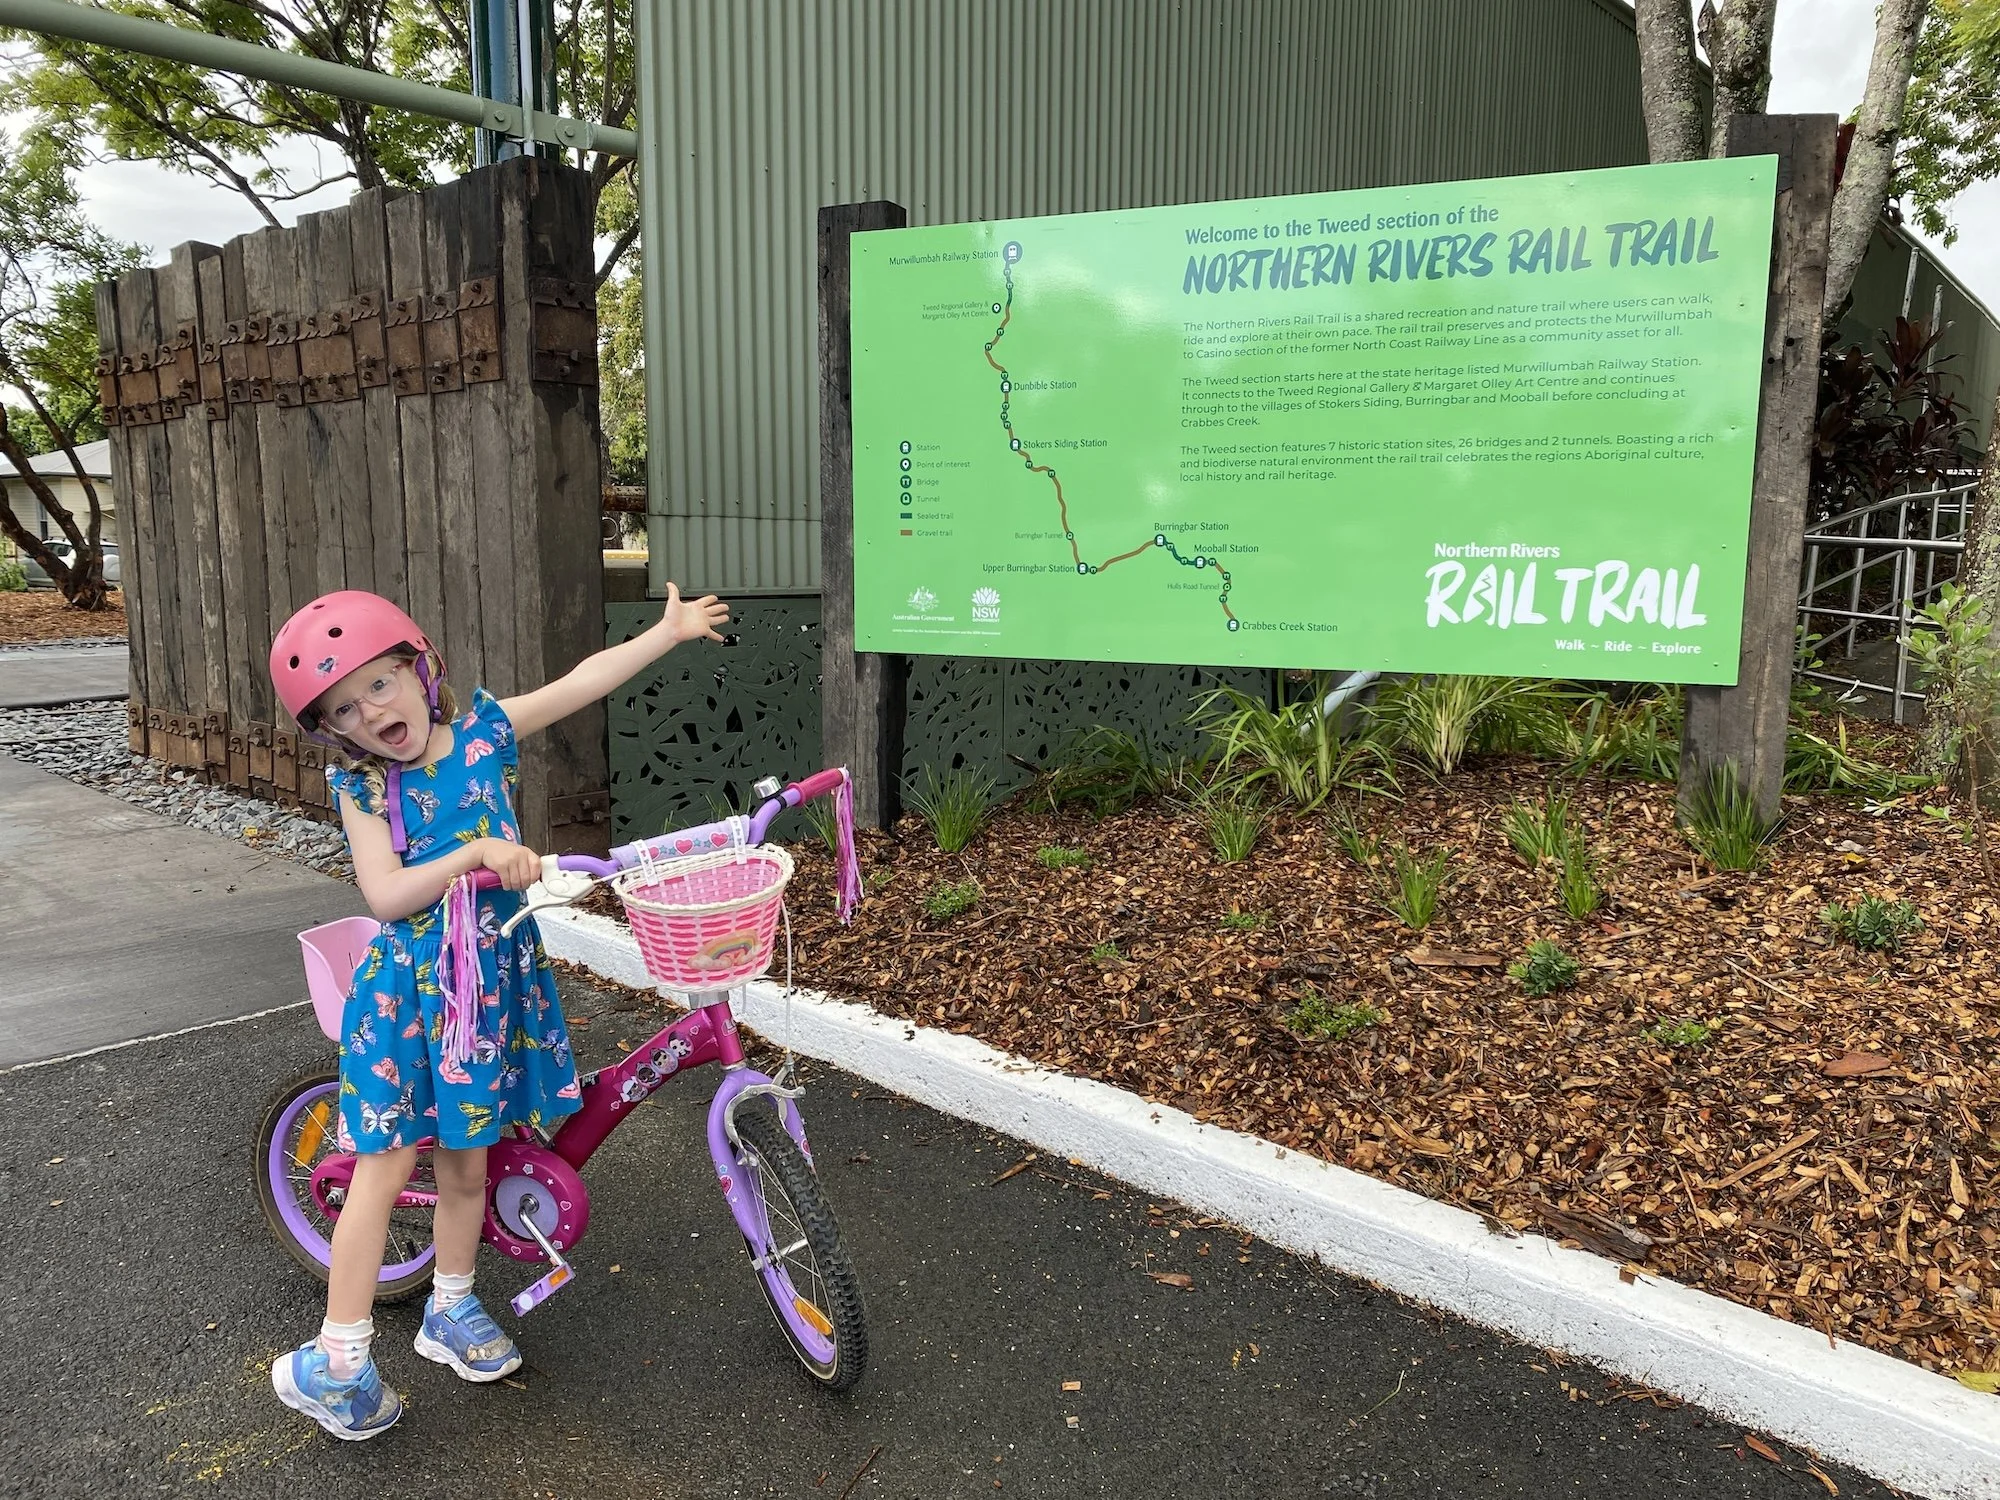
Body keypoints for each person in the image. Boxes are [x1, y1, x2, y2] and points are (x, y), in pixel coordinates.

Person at [263, 584, 729, 1439]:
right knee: (385, 1163)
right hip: (407, 999)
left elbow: (581, 682)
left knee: (469, 1164)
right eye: (342, 710)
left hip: (488, 992)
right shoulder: (362, 787)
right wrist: (474, 852)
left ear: (419, 667)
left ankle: (450, 1307)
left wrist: (666, 634)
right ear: (331, 732)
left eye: (377, 684)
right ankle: (338, 1359)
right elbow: (387, 892)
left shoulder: (483, 732)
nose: (369, 713)